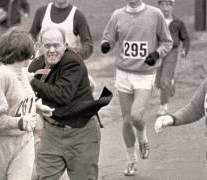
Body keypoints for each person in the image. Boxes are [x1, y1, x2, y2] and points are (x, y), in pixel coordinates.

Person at [100, 0, 173, 176]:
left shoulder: (155, 14)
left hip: (144, 74)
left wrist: (156, 54)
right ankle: (131, 160)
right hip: (124, 73)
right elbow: (108, 37)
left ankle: (143, 137)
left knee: (136, 116)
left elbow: (167, 42)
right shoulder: (118, 15)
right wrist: (106, 44)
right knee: (126, 120)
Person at [28, 27, 103, 180]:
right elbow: (28, 95)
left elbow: (62, 96)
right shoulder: (36, 66)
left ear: (66, 45)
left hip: (81, 132)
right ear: (40, 46)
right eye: (47, 45)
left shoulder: (73, 62)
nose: (51, 50)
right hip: (51, 133)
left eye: (56, 45)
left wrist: (32, 81)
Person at [0, 27, 53, 180]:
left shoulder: (22, 73)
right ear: (26, 52)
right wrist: (18, 122)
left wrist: (37, 107)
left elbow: (20, 102)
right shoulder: (2, 76)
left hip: (23, 140)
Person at [156, 0, 190, 116]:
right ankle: (171, 81)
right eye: (162, 5)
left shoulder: (178, 23)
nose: (165, 8)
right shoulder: (156, 21)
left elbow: (185, 38)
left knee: (164, 81)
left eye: (167, 5)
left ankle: (163, 106)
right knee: (158, 83)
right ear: (159, 6)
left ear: (172, 7)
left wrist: (185, 49)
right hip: (158, 52)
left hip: (172, 51)